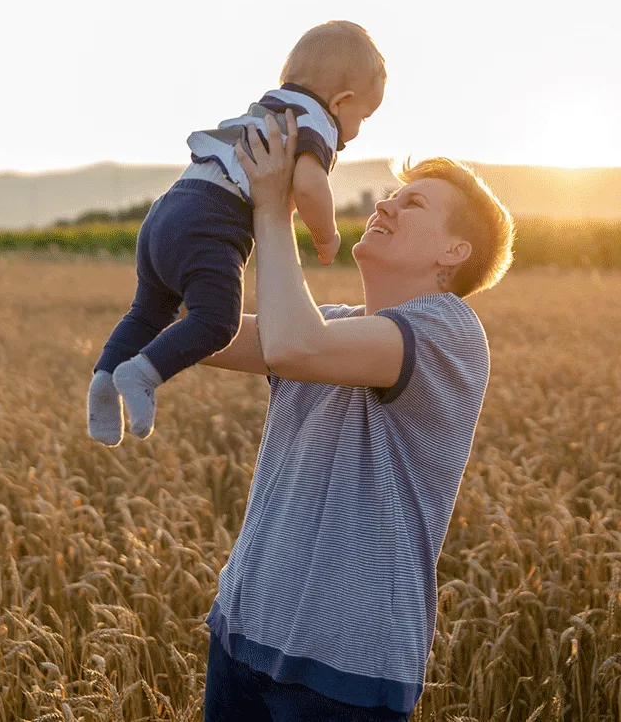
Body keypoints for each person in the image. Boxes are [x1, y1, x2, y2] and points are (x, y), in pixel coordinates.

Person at [197, 111, 514, 721]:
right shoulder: (334, 326)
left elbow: (294, 345)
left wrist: (274, 207)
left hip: (344, 672)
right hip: (242, 634)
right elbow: (197, 331)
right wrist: (210, 197)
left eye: (413, 204)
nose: (387, 206)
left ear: (454, 251)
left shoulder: (449, 331)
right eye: (393, 196)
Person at [87, 21, 387, 446]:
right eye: (363, 117)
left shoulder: (270, 106)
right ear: (342, 102)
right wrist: (326, 236)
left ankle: (104, 378)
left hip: (167, 210)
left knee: (148, 312)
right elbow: (308, 185)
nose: (357, 130)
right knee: (217, 322)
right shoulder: (315, 123)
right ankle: (141, 373)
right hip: (211, 223)